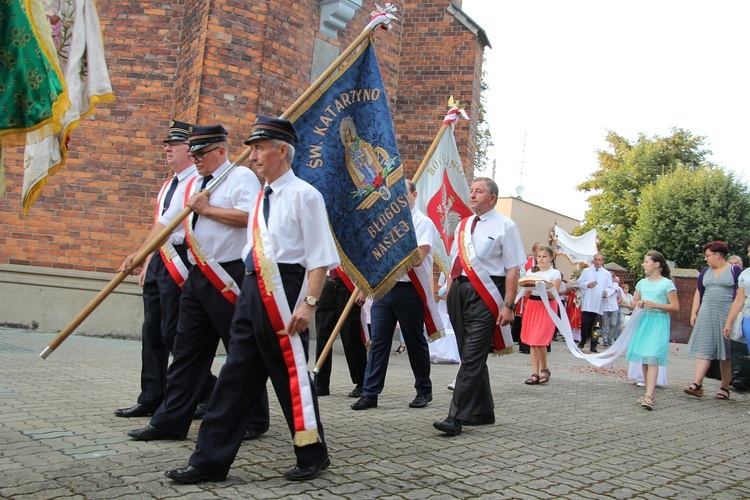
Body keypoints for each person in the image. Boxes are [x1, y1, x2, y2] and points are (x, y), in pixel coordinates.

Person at [165, 116, 339, 483]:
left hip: (285, 289)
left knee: (290, 374)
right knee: (235, 377)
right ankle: (208, 462)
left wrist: (308, 303)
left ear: (281, 151)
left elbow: (320, 257)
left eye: (259, 149)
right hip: (251, 288)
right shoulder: (261, 195)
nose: (253, 156)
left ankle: (312, 452)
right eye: (253, 149)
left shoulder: (306, 195)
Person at [126, 124, 269, 442]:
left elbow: (251, 216)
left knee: (240, 350)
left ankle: (256, 417)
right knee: (187, 351)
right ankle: (170, 421)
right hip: (197, 274)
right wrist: (140, 255)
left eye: (202, 153)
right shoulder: (196, 182)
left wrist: (208, 210)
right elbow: (166, 223)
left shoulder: (240, 176)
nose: (196, 158)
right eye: (193, 153)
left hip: (228, 274)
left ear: (221, 150)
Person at [114, 120, 199, 418]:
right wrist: (148, 260)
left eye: (174, 144)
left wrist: (140, 253)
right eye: (167, 143)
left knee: (173, 333)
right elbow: (158, 225)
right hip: (160, 259)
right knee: (151, 331)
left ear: (190, 149)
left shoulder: (195, 181)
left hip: (182, 260)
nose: (167, 148)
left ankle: (205, 391)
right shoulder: (168, 184)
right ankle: (151, 396)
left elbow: (170, 227)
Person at [433, 177, 525, 436]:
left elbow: (513, 268)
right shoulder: (463, 225)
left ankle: (456, 417)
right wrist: (450, 295)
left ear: (492, 198)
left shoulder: (506, 226)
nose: (472, 195)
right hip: (459, 293)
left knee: (473, 356)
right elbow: (454, 265)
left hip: (487, 294)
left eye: (479, 191)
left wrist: (508, 305)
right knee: (469, 355)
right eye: (471, 191)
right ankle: (484, 411)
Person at [351, 179, 439, 411]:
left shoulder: (422, 223)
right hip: (385, 288)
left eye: (403, 194)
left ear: (414, 195)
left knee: (414, 340)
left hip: (410, 290)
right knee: (379, 342)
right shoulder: (386, 221)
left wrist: (388, 252)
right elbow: (374, 255)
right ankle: (370, 393)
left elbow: (417, 257)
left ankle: (424, 390)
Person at [684, 241, 741, 400]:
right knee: (704, 347)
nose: (706, 259)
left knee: (725, 352)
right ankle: (697, 384)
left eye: (708, 256)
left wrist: (732, 319)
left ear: (718, 255)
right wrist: (694, 312)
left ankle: (724, 387)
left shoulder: (734, 270)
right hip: (706, 313)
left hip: (726, 314)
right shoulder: (705, 272)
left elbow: (740, 293)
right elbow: (698, 292)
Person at [626, 251, 679, 410]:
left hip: (658, 322)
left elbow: (675, 307)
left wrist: (656, 305)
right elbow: (633, 304)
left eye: (646, 261)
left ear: (656, 264)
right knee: (644, 356)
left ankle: (649, 395)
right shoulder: (642, 283)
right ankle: (648, 392)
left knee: (653, 356)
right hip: (644, 321)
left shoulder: (667, 284)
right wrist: (640, 303)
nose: (643, 264)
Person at [314, 266, 367, 398]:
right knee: (322, 336)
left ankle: (362, 383)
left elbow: (365, 262)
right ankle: (321, 384)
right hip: (325, 284)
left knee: (351, 336)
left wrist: (364, 289)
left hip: (348, 286)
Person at [520, 245, 561, 385]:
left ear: (550, 258)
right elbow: (526, 293)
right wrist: (528, 287)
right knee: (532, 340)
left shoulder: (555, 273)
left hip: (547, 306)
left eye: (544, 256)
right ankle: (535, 372)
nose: (541, 259)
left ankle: (544, 369)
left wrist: (541, 286)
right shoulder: (530, 271)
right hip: (533, 305)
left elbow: (553, 294)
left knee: (540, 339)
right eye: (539, 256)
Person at [577, 254, 615, 353]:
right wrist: (587, 284)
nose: (597, 261)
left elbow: (610, 287)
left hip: (598, 303)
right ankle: (583, 340)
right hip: (588, 301)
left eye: (599, 260)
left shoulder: (606, 274)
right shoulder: (587, 271)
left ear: (602, 261)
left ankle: (594, 343)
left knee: (596, 325)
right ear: (593, 261)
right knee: (585, 323)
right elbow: (579, 282)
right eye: (596, 259)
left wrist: (606, 291)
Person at [600, 272, 620, 348]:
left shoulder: (615, 285)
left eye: (612, 277)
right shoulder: (603, 285)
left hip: (614, 307)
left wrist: (605, 293)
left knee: (613, 324)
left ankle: (610, 338)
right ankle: (605, 339)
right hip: (605, 307)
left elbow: (612, 291)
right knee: (604, 324)